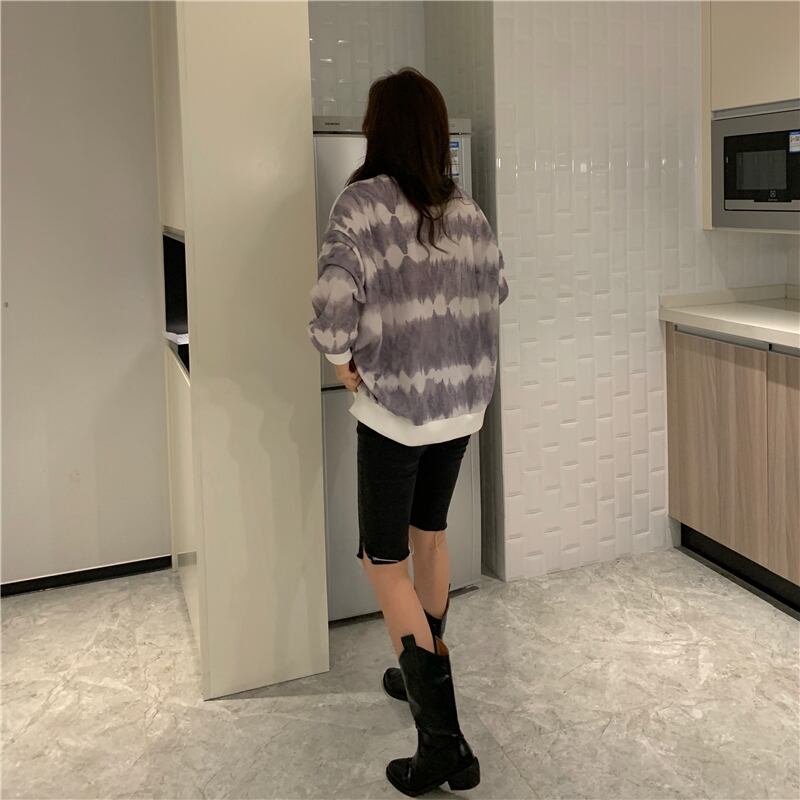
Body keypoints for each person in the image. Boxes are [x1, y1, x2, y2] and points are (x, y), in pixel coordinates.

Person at [308, 67, 508, 797]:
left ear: (378, 128)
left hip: (395, 412)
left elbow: (333, 302)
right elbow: (496, 288)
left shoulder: (359, 204)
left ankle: (443, 743)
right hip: (462, 406)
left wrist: (341, 363)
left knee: (382, 559)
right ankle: (422, 656)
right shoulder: (467, 209)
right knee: (431, 535)